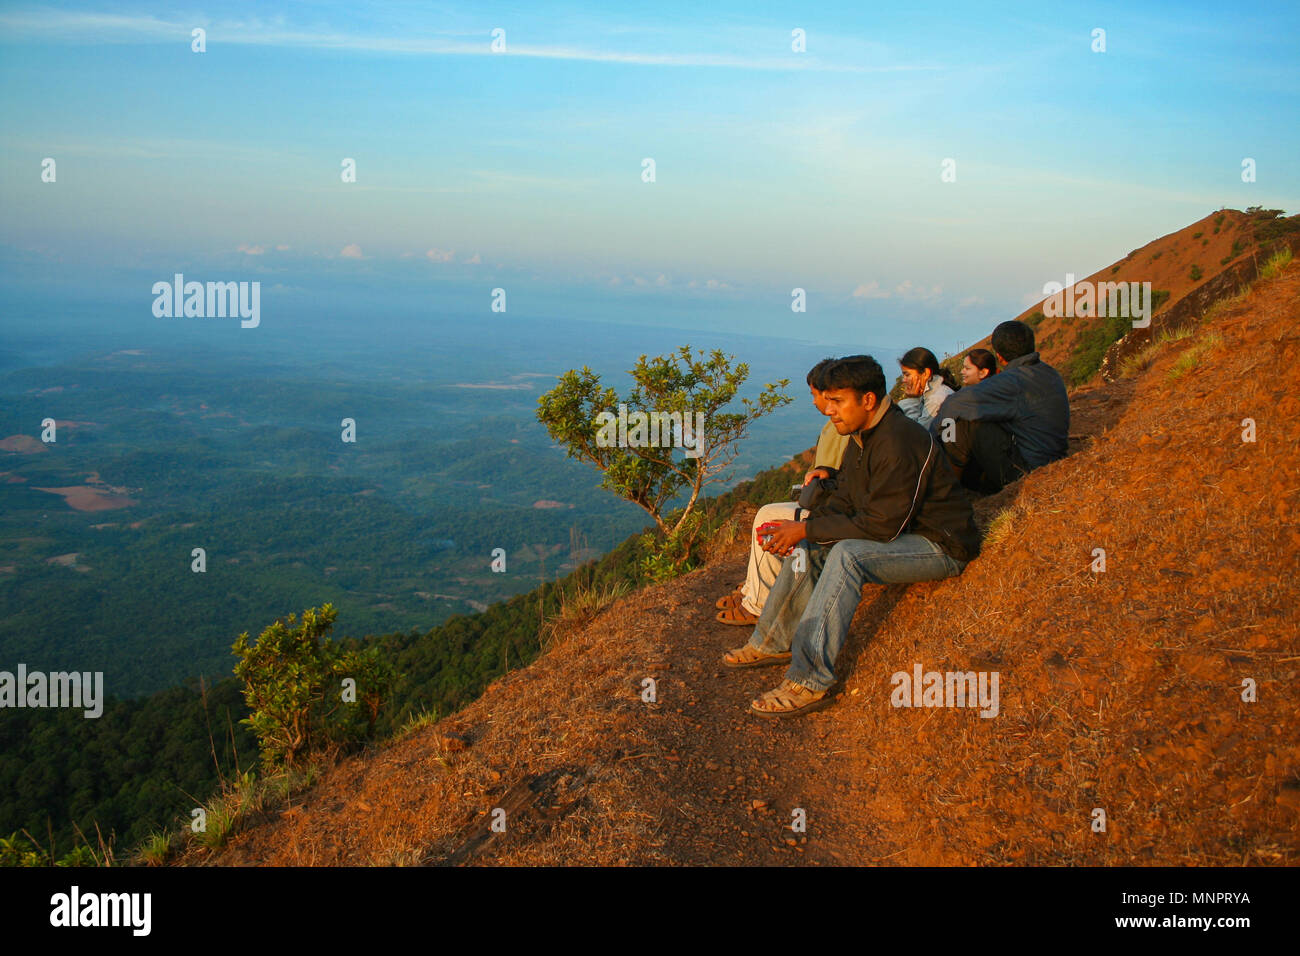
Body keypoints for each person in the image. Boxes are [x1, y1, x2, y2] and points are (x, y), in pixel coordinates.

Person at [721, 355, 981, 717]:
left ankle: (810, 680)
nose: (829, 410)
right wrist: (801, 528)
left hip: (939, 544)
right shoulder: (865, 434)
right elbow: (849, 498)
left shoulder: (898, 440)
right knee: (811, 546)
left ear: (868, 400)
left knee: (847, 555)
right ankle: (771, 641)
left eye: (837, 401)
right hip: (904, 532)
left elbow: (881, 525)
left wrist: (806, 527)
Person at [716, 358, 849, 625]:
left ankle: (757, 605)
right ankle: (751, 590)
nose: (814, 402)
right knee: (769, 514)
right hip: (831, 502)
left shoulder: (844, 427)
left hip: (833, 509)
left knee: (768, 517)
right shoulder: (837, 424)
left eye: (815, 394)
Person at [931, 320, 1069, 494]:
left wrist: (930, 438)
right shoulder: (1049, 372)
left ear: (999, 356)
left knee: (959, 422)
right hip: (1052, 459)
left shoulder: (1012, 381)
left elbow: (955, 403)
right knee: (972, 414)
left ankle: (945, 491)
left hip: (1028, 472)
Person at [896, 347, 958, 430]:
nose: (903, 380)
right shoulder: (932, 394)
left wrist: (912, 400)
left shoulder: (936, 400)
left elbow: (917, 435)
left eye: (907, 375)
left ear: (925, 373)